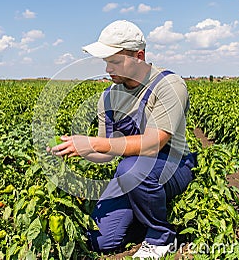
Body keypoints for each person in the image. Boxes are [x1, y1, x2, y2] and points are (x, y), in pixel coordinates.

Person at [50, 20, 196, 259]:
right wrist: (74, 148)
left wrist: (96, 143)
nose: (108, 69)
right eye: (106, 62)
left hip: (172, 165)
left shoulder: (168, 85)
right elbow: (106, 152)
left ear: (139, 56)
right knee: (101, 240)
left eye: (115, 61)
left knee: (133, 167)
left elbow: (154, 143)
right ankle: (144, 213)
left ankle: (161, 237)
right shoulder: (108, 97)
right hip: (131, 173)